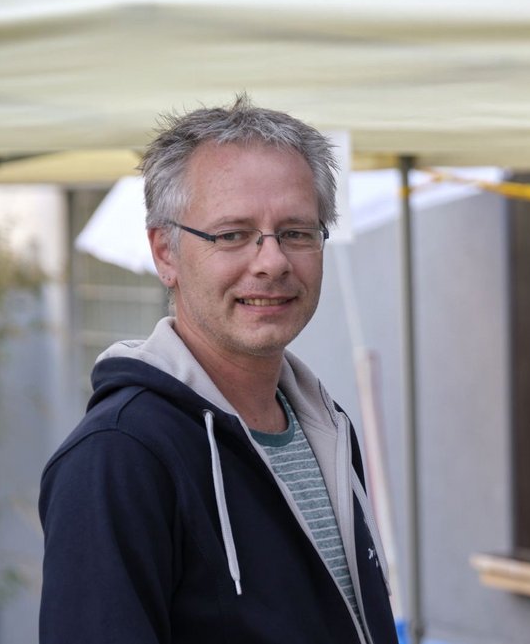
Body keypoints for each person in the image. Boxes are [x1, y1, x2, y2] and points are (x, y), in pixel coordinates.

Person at [39, 96, 397, 644]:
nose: (272, 261)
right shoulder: (118, 457)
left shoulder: (325, 428)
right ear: (165, 253)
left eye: (297, 232)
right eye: (232, 234)